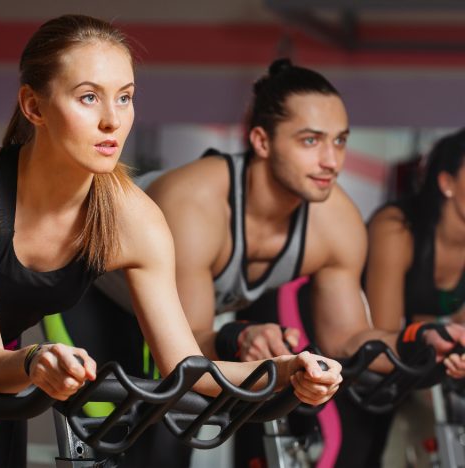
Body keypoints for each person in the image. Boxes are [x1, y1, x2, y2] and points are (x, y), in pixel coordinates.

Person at [0, 16, 342, 468]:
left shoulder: (133, 221)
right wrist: (33, 360)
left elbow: (188, 369)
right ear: (34, 106)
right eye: (89, 97)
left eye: (126, 97)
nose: (113, 120)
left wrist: (279, 372)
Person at [54, 59, 465, 467]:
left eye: (339, 141)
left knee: (171, 440)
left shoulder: (337, 223)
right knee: (110, 444)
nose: (331, 161)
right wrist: (237, 336)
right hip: (93, 292)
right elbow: (191, 352)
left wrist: (421, 340)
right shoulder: (195, 204)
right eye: (310, 141)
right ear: (261, 141)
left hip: (174, 316)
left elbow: (347, 341)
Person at [365, 129, 465, 465]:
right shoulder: (396, 228)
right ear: (447, 182)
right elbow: (385, 336)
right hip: (363, 361)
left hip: (426, 369)